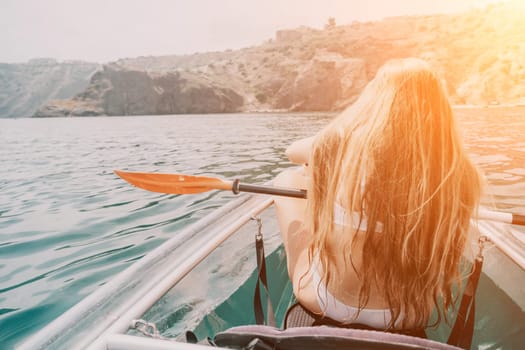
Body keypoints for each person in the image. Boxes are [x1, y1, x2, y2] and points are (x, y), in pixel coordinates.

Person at [273, 58, 482, 334]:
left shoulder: (340, 144)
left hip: (328, 303)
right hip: (408, 313)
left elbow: (293, 152)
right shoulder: (461, 172)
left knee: (288, 178)